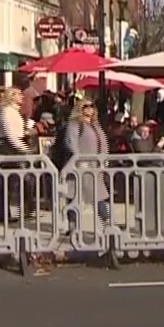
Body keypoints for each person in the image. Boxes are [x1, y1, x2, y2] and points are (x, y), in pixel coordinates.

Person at [61, 98, 111, 231]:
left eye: (92, 106)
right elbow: (71, 143)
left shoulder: (96, 125)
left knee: (98, 195)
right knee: (74, 195)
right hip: (80, 166)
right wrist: (79, 160)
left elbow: (103, 143)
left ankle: (106, 223)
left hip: (95, 167)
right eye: (86, 106)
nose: (89, 109)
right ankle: (72, 225)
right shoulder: (75, 124)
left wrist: (105, 159)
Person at [0, 87, 33, 225]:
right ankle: (17, 211)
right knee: (16, 181)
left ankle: (5, 212)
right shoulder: (7, 112)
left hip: (15, 146)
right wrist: (23, 148)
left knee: (13, 182)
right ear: (12, 96)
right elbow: (10, 135)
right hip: (10, 149)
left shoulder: (14, 111)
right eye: (19, 94)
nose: (22, 96)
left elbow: (16, 131)